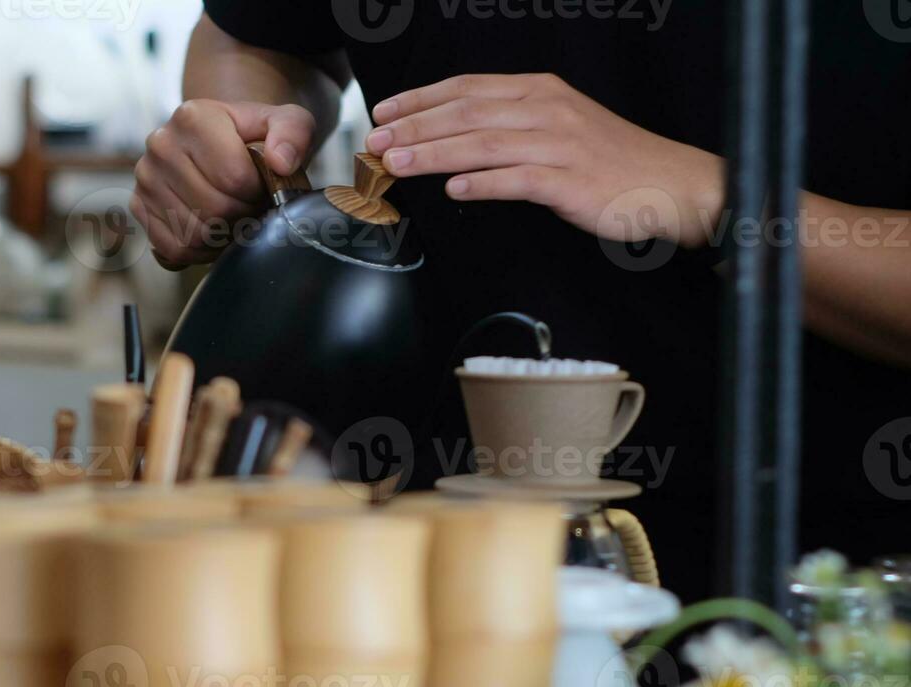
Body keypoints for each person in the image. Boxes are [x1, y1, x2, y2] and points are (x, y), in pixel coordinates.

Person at [132, 2, 911, 599]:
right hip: (425, 560)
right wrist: (237, 140)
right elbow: (256, 34)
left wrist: (713, 200)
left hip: (825, 603)